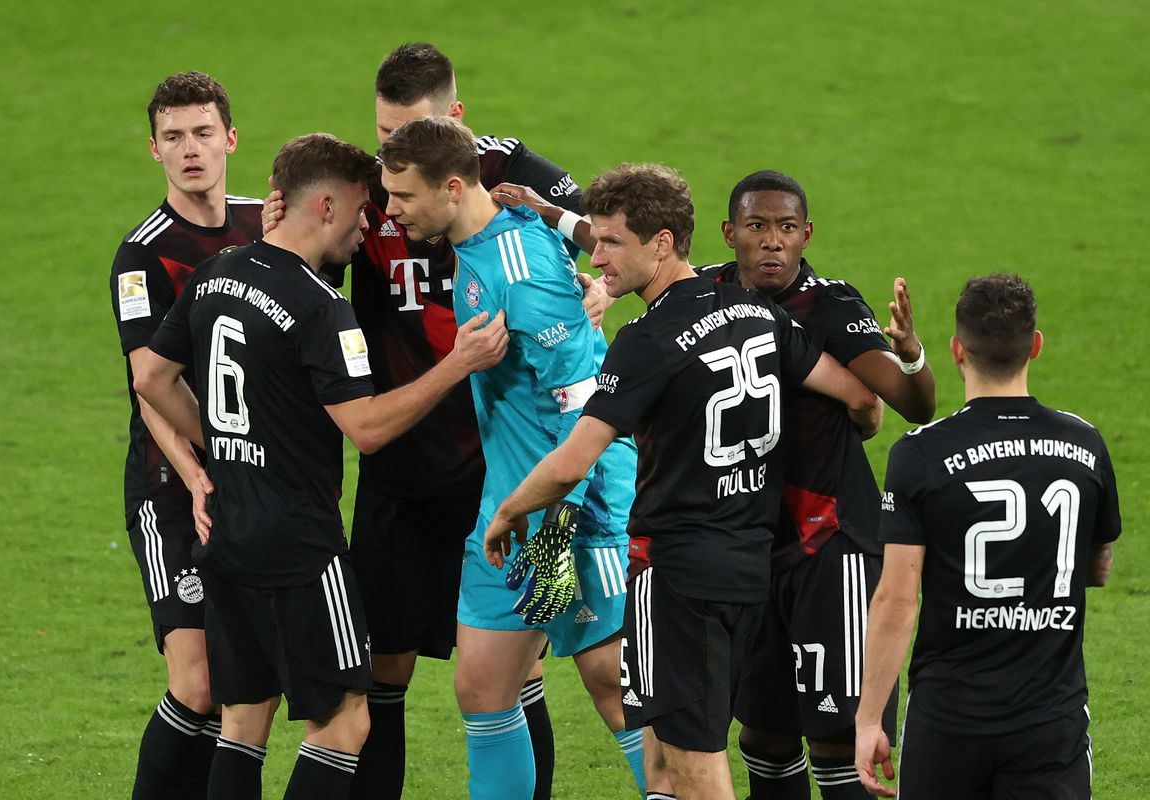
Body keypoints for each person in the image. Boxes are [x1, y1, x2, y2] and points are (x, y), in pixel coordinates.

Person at [261, 42, 614, 799]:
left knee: (566, 677)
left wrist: (596, 289)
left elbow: (605, 257)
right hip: (430, 477)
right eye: (384, 135)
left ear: (455, 130)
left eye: (409, 138)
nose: (391, 167)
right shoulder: (399, 196)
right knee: (428, 678)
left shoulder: (514, 200)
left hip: (529, 489)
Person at [483, 163, 882, 800]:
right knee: (665, 759)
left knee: (697, 765)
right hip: (749, 569)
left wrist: (507, 512)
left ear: (662, 244)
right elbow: (861, 399)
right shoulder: (755, 310)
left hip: (676, 579)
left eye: (612, 242)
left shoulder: (646, 340)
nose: (599, 256)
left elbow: (569, 465)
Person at [133, 132, 508, 800]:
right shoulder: (321, 308)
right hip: (301, 547)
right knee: (344, 726)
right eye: (364, 210)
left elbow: (155, 381)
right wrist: (458, 363)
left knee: (243, 724)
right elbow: (365, 430)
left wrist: (222, 443)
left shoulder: (218, 273)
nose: (370, 227)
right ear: (328, 207)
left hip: (225, 531)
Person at [379, 117, 645, 800]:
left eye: (403, 197)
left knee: (610, 683)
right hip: (512, 511)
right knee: (483, 688)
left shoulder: (517, 274)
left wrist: (552, 534)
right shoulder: (479, 238)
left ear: (453, 186)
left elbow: (583, 408)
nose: (391, 211)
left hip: (569, 513)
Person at [694, 170, 935, 800]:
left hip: (832, 547)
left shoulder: (829, 306)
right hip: (747, 547)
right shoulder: (701, 297)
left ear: (806, 235)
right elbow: (633, 242)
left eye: (785, 228)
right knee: (764, 733)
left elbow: (912, 406)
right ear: (730, 234)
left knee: (840, 735)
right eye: (756, 226)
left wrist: (910, 354)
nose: (772, 241)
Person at [855, 274, 1121, 799]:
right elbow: (1099, 568)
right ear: (1036, 346)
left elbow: (897, 600)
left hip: (949, 722)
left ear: (957, 351)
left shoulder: (920, 454)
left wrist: (868, 721)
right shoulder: (1085, 444)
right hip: (1051, 721)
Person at [108, 71, 263, 799]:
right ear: (154, 150)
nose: (190, 149)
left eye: (203, 132)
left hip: (256, 482)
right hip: (174, 488)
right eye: (174, 137)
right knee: (198, 683)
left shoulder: (268, 223)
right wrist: (204, 471)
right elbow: (151, 391)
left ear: (230, 138)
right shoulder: (142, 256)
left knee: (241, 692)